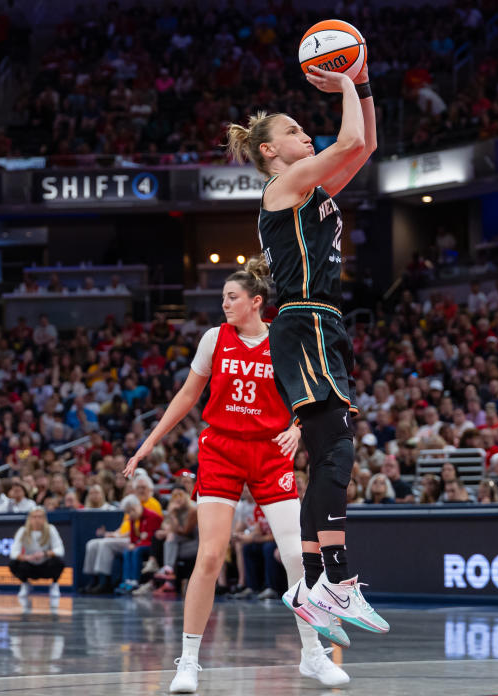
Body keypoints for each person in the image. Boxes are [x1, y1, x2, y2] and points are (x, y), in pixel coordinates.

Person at [124, 263, 348, 692]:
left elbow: (313, 397)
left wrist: (297, 428)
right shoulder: (215, 339)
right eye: (224, 297)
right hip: (222, 451)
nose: (224, 303)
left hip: (269, 453)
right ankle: (187, 661)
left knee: (298, 556)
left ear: (255, 302)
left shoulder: (284, 340)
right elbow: (188, 394)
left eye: (231, 297)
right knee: (209, 556)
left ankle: (313, 655)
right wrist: (148, 443)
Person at [225, 55, 388, 642]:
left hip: (319, 324)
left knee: (326, 457)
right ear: (270, 151)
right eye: (293, 130)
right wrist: (343, 79)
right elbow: (347, 136)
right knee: (338, 453)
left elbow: (363, 145)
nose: (304, 134)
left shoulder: (309, 186)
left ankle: (316, 586)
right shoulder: (285, 184)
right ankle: (335, 582)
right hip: (306, 319)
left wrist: (362, 84)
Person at [8, 507, 64, 599]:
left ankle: (54, 585)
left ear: (44, 519)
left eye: (40, 517)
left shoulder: (51, 529)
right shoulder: (23, 530)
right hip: (29, 565)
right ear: (29, 518)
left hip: (45, 566)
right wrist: (27, 557)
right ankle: (25, 584)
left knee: (58, 562)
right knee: (13, 563)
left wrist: (44, 553)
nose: (37, 520)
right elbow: (13, 553)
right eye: (34, 517)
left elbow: (60, 550)